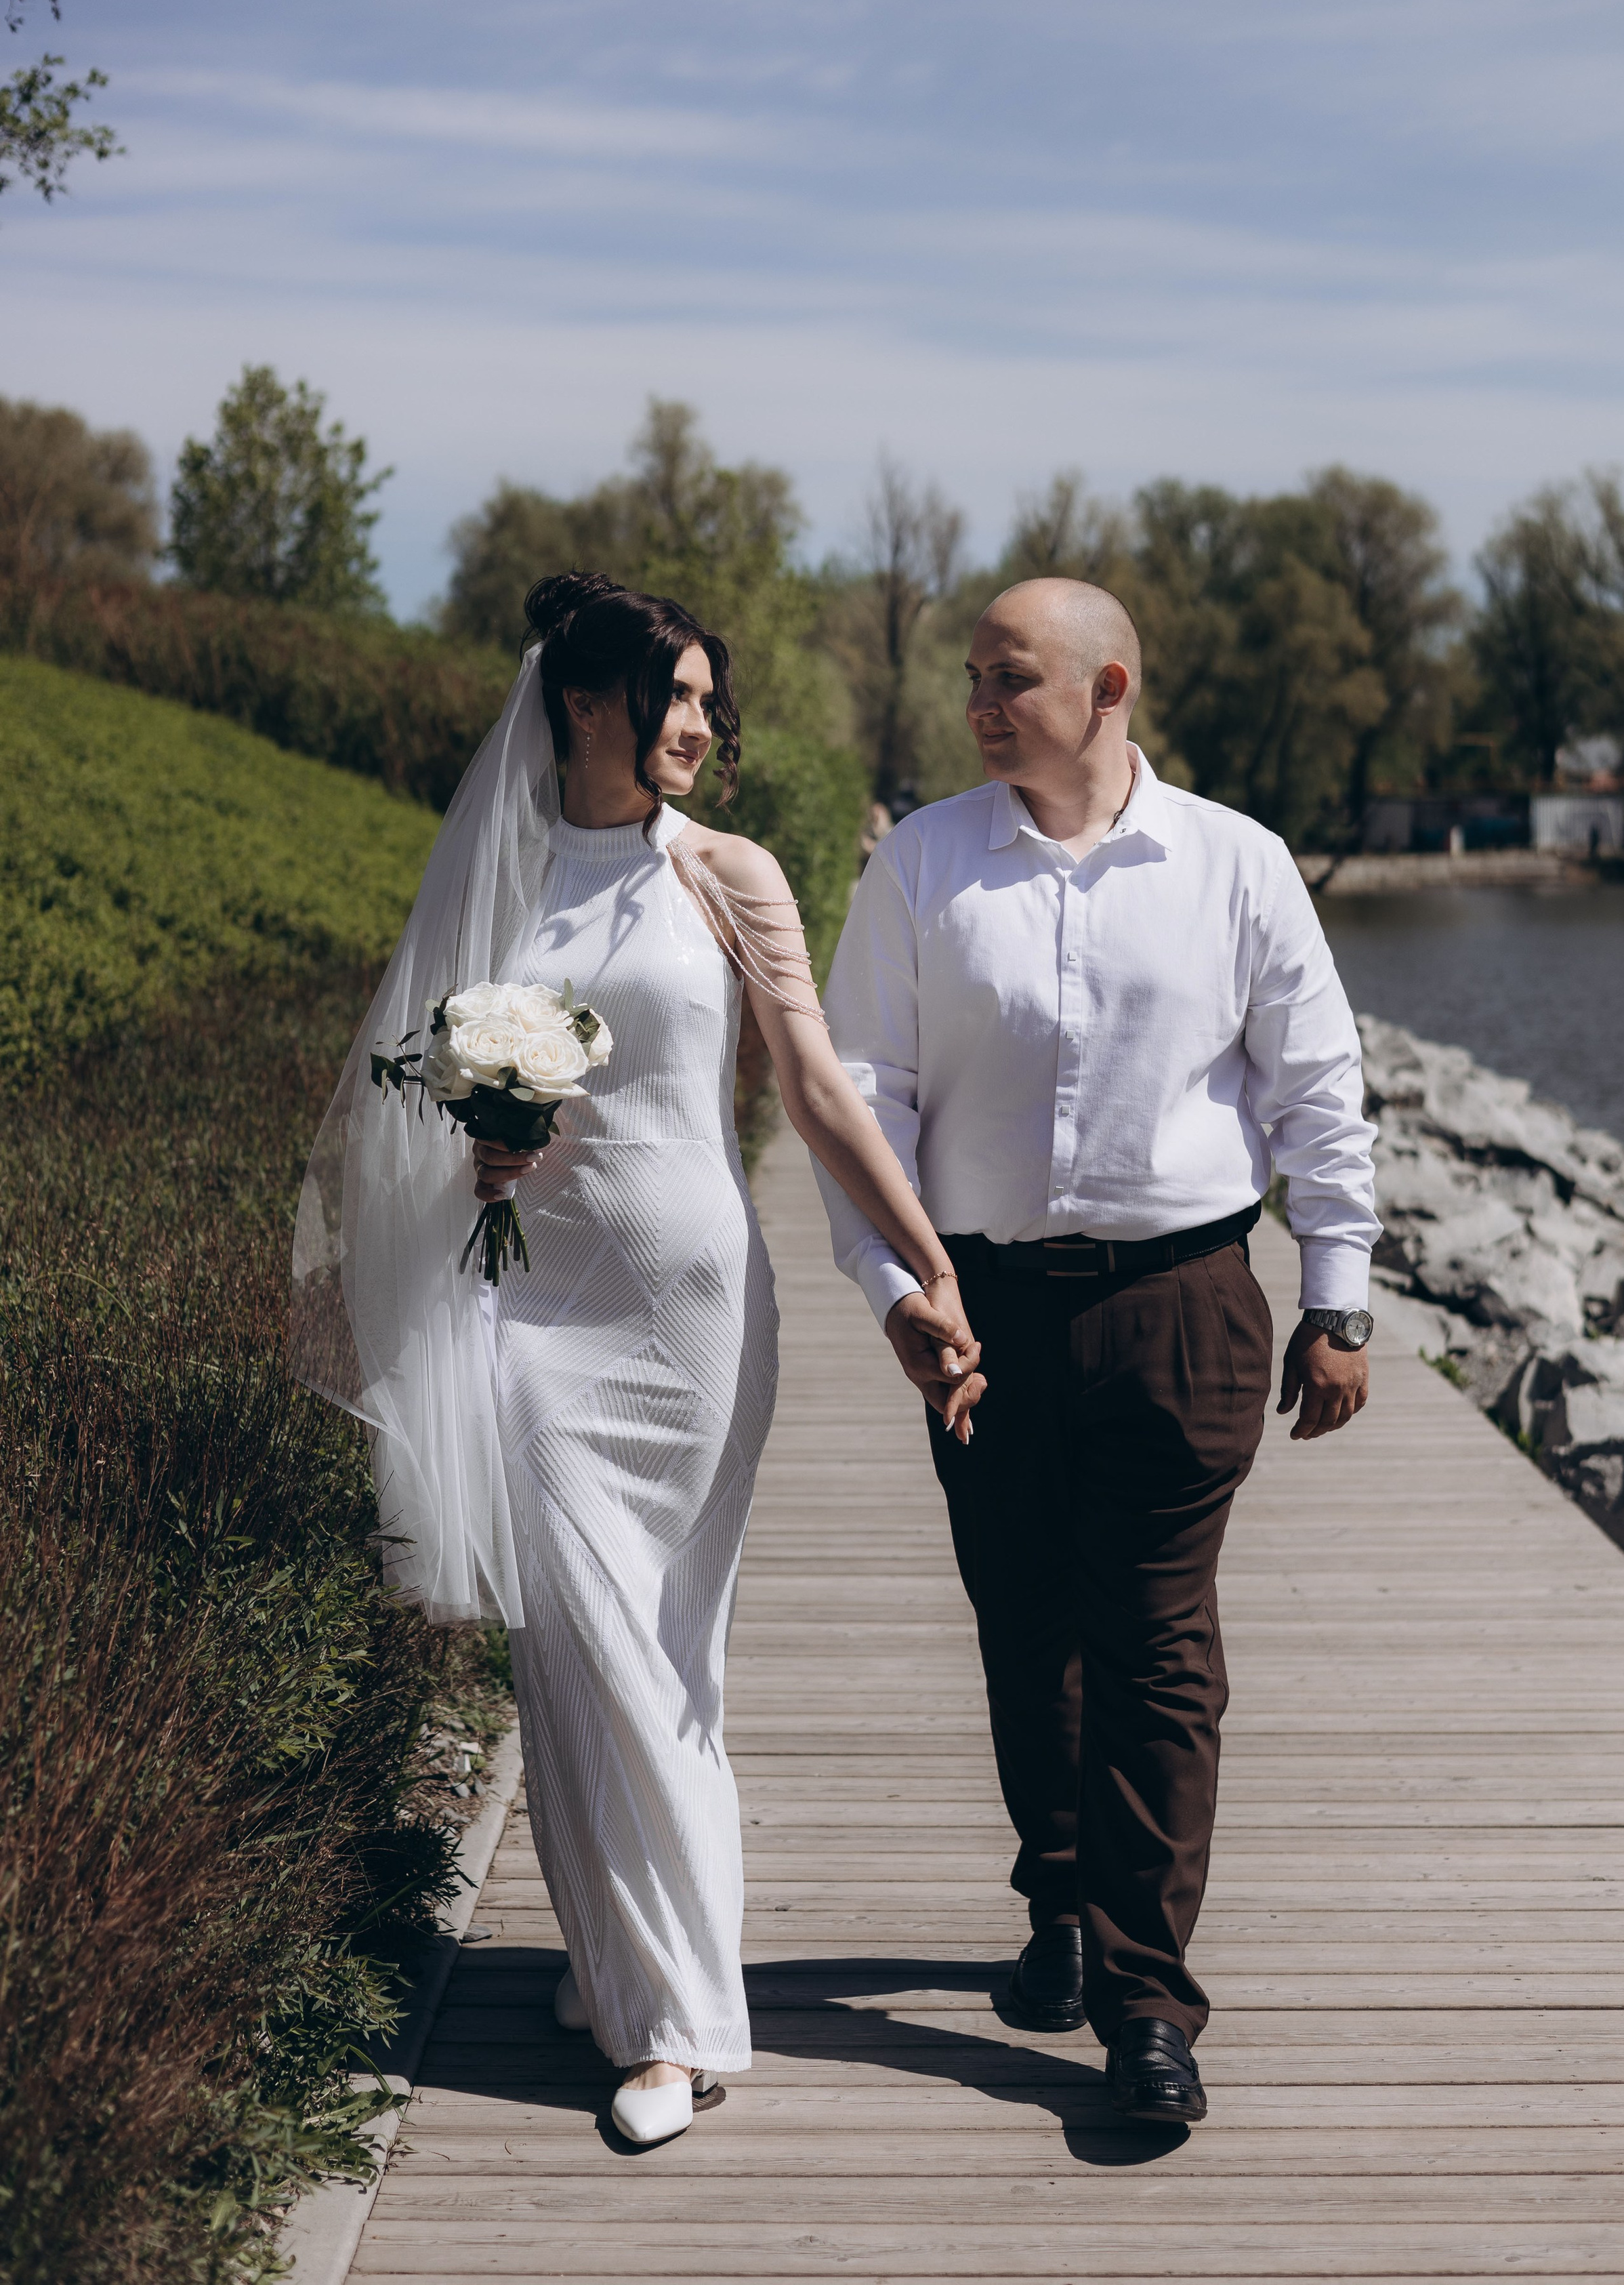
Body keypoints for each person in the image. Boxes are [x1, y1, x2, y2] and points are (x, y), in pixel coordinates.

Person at [293, 573, 978, 2150]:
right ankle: (668, 2023)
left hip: (693, 1309)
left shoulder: (728, 875)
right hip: (531, 1307)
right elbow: (428, 1083)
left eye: (701, 701)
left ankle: (619, 1964)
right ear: (585, 704)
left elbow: (809, 1087)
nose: (694, 725)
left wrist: (925, 1264)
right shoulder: (499, 875)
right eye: (670, 697)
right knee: (581, 1646)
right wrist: (484, 1143)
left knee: (666, 1650)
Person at [814, 575, 1379, 2126]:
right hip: (980, 1307)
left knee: (1155, 1647)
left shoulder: (1234, 864)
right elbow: (861, 1102)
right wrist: (896, 1292)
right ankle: (1058, 1907)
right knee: (1022, 1622)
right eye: (972, 682)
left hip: (1182, 1307)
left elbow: (1314, 1087)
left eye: (1007, 679)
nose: (978, 706)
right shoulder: (923, 866)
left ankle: (1144, 2005)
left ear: (1105, 687)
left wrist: (1336, 1296)